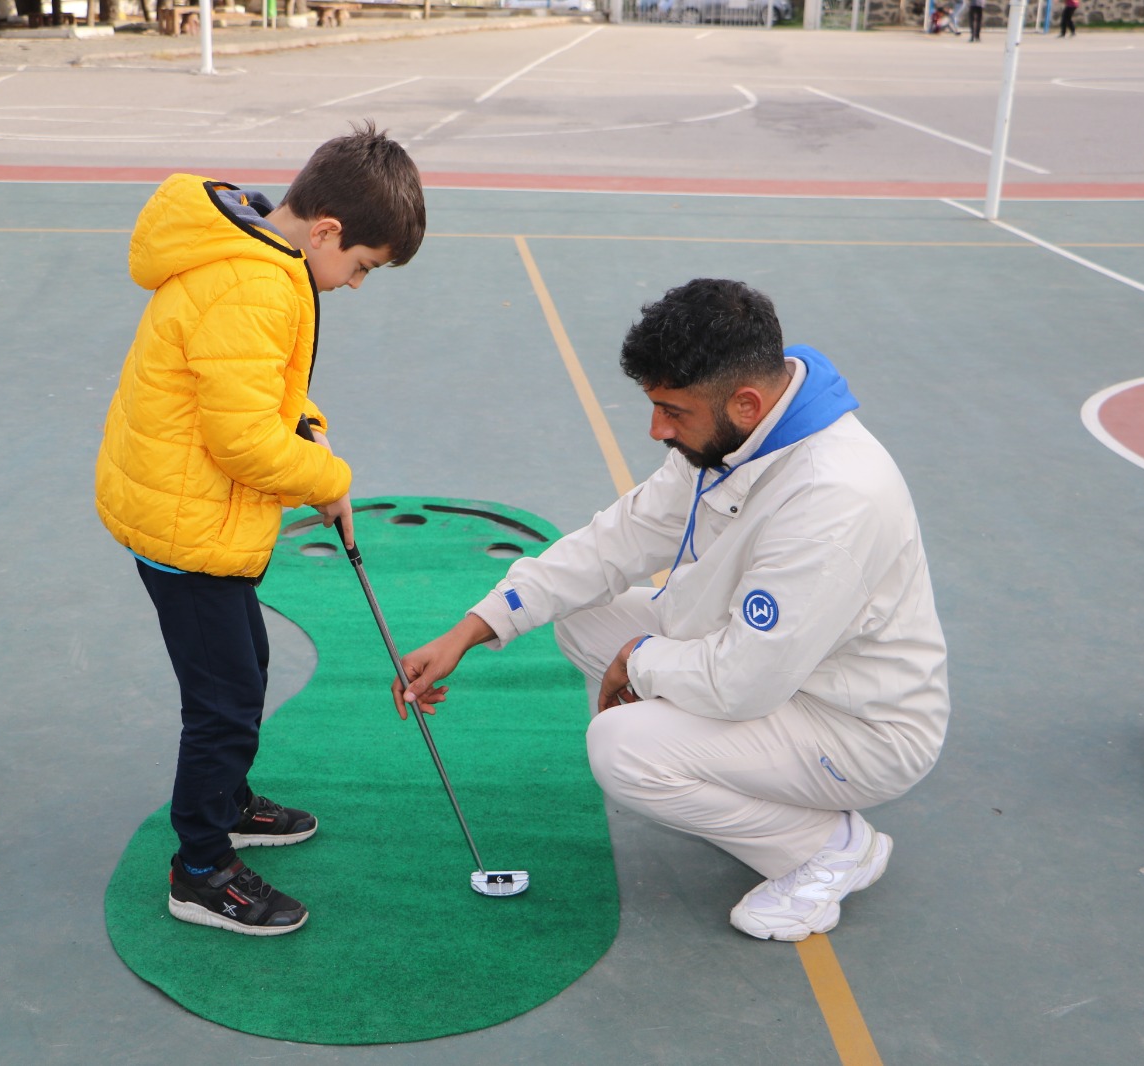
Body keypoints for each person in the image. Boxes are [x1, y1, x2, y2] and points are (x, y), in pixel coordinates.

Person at [392, 279, 949, 942]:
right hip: (777, 667)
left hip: (857, 725)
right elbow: (616, 540)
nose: (657, 430)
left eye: (671, 411)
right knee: (583, 614)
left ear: (745, 402)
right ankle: (747, 783)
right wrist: (476, 626)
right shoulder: (740, 435)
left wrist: (642, 662)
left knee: (622, 749)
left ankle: (826, 846)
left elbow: (747, 680)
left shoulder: (836, 494)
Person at [96, 121, 426, 937]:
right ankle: (201, 867)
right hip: (188, 528)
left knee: (247, 665)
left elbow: (262, 399)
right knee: (225, 702)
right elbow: (241, 440)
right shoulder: (258, 286)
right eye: (360, 267)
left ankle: (229, 800)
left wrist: (308, 437)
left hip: (193, 509)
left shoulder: (263, 257)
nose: (353, 284)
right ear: (327, 231)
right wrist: (331, 480)